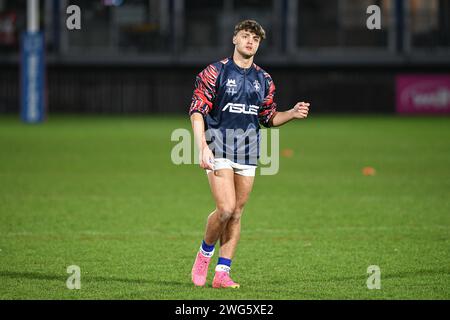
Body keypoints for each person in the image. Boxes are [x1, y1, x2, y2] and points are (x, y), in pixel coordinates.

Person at [189, 19, 310, 289]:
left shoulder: (263, 79)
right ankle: (204, 255)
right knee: (225, 209)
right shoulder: (215, 71)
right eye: (245, 36)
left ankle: (222, 274)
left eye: (255, 39)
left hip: (248, 151)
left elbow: (268, 117)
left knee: (237, 213)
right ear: (235, 39)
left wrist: (291, 113)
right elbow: (197, 110)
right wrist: (202, 146)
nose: (250, 42)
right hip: (218, 146)